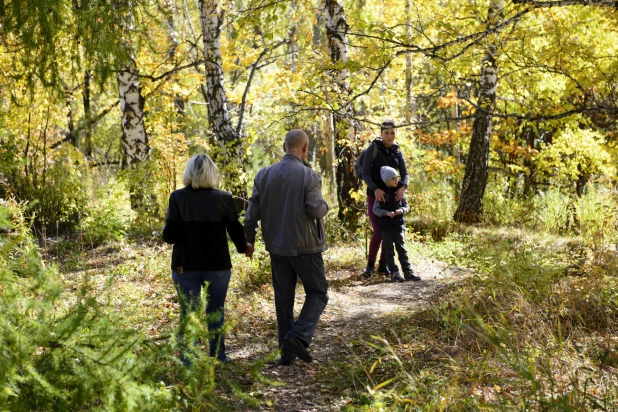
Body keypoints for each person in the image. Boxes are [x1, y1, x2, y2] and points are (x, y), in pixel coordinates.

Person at [244, 129, 329, 366]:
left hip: (277, 247)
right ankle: (298, 336)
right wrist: (325, 205)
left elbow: (252, 213)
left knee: (283, 299)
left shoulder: (263, 175)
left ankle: (286, 353)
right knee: (319, 291)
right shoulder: (308, 175)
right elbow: (315, 209)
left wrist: (248, 240)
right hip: (306, 247)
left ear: (284, 147)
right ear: (305, 149)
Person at [162, 153, 253, 364]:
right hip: (217, 266)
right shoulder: (223, 198)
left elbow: (169, 236)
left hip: (186, 265)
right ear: (212, 174)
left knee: (189, 313)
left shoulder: (178, 197)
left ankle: (188, 359)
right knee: (216, 312)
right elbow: (235, 229)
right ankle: (219, 356)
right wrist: (245, 247)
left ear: (189, 173)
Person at [361, 119, 411, 279]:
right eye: (386, 132)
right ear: (381, 133)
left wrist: (403, 187)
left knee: (389, 231)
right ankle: (370, 266)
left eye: (392, 132)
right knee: (378, 232)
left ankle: (384, 265)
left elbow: (405, 174)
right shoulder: (373, 149)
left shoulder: (397, 151)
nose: (390, 136)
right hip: (374, 197)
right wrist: (375, 189)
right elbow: (365, 173)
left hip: (392, 198)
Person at [372, 166, 421, 282]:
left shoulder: (400, 192)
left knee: (402, 250)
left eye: (397, 178)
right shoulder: (381, 194)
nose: (396, 180)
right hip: (386, 228)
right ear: (386, 180)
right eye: (393, 178)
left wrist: (402, 210)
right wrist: (386, 213)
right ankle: (395, 273)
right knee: (389, 251)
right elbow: (375, 209)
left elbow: (406, 207)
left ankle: (408, 272)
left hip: (398, 226)